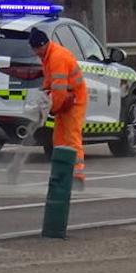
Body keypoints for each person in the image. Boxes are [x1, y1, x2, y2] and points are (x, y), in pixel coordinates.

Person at [29, 27, 89, 187]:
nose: (36, 53)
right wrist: (43, 95)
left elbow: (60, 91)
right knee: (59, 139)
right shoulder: (47, 56)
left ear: (42, 45)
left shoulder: (57, 57)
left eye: (36, 49)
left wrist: (52, 108)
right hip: (65, 101)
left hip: (74, 100)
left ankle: (77, 175)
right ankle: (62, 173)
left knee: (72, 138)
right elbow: (50, 82)